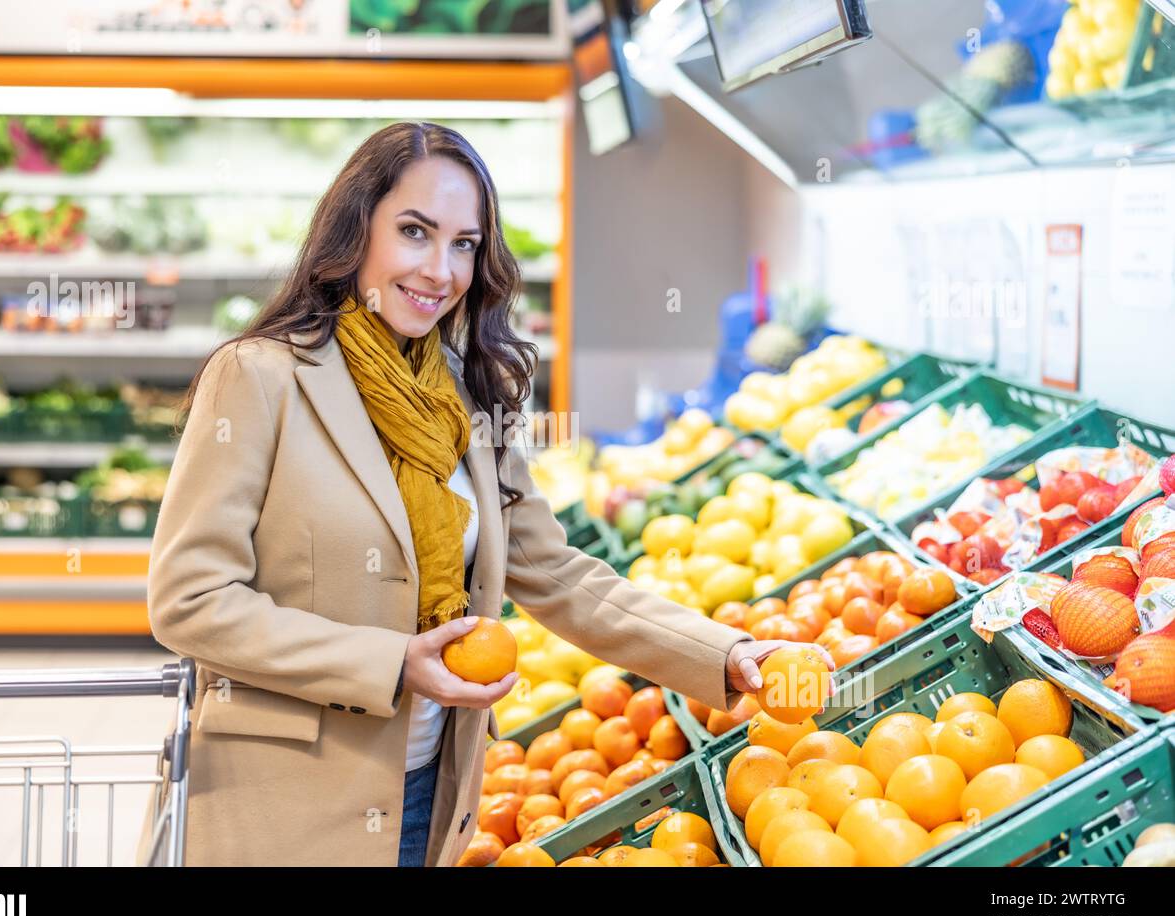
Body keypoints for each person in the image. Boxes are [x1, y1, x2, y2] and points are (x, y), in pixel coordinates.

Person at [141, 121, 831, 867]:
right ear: (354, 230)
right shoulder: (260, 378)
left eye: (464, 243)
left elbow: (558, 574)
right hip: (277, 805)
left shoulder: (474, 394)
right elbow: (189, 597)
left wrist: (725, 653)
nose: (440, 269)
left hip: (429, 795)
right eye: (414, 231)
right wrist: (392, 660)